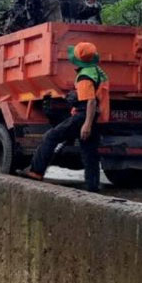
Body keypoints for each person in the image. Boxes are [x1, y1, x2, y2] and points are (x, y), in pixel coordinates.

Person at [24, 41, 110, 192]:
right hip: (96, 116)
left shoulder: (84, 77)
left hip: (84, 116)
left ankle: (36, 172)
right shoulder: (96, 70)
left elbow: (90, 101)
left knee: (51, 137)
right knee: (89, 152)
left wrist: (86, 124)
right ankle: (92, 186)